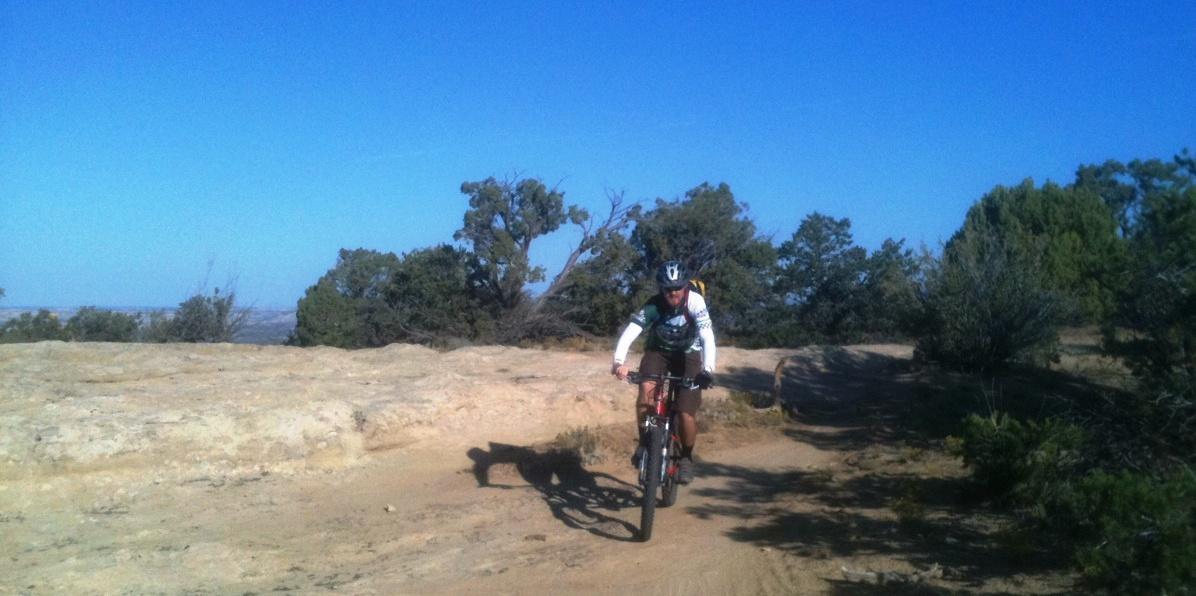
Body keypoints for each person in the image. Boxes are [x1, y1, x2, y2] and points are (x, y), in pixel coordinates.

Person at [611, 260, 716, 484]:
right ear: (661, 289)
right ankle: (644, 443)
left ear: (685, 287)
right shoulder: (653, 305)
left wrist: (707, 370)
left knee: (686, 413)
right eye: (668, 289)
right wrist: (618, 362)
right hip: (658, 352)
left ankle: (686, 458)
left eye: (678, 287)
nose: (673, 293)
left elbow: (707, 337)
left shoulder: (695, 302)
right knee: (645, 391)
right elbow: (631, 332)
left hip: (688, 355)